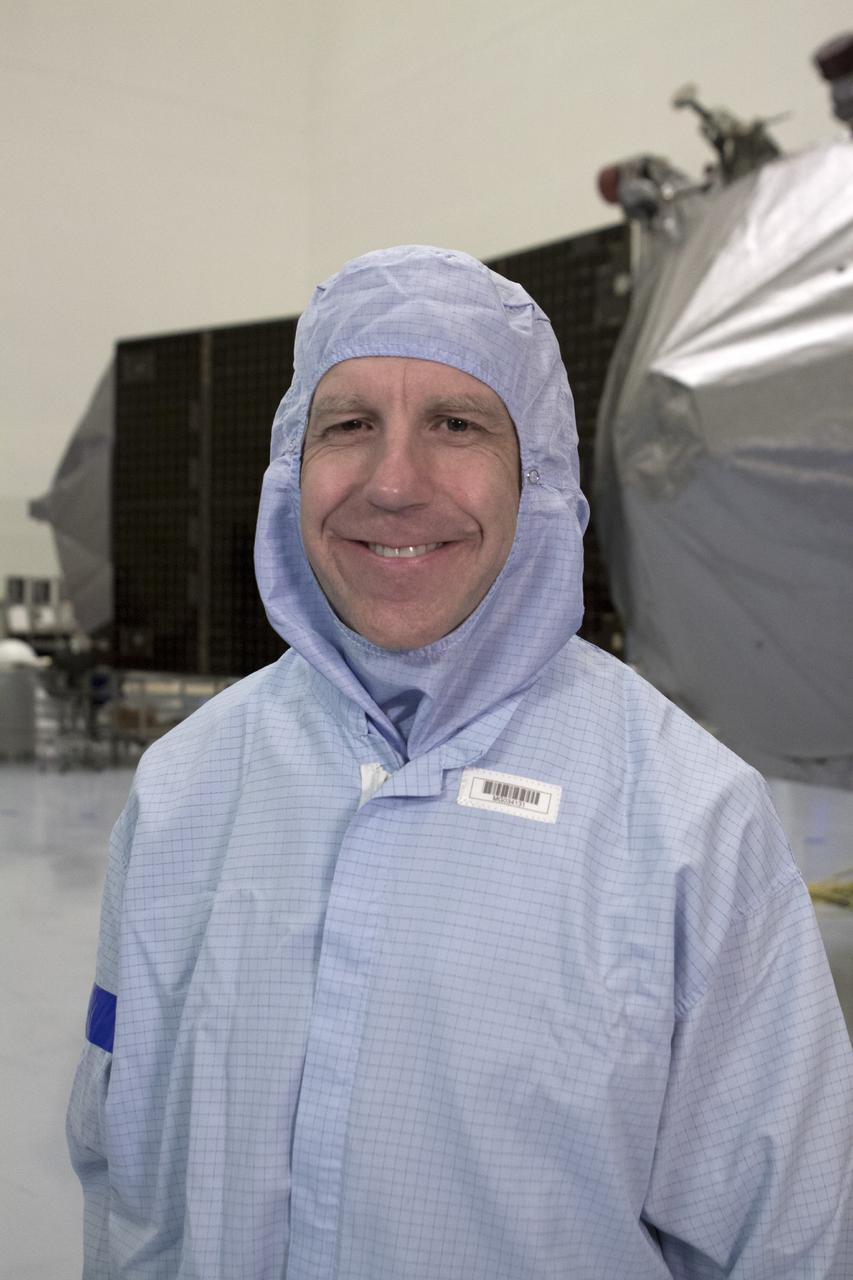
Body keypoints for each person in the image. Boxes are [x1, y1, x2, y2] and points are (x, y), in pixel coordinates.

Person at [68, 245, 852, 1278]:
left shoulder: (688, 821)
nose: (394, 483)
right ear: (288, 468)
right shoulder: (186, 788)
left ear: (540, 474)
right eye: (349, 425)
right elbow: (122, 1177)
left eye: (457, 423)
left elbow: (785, 1241)